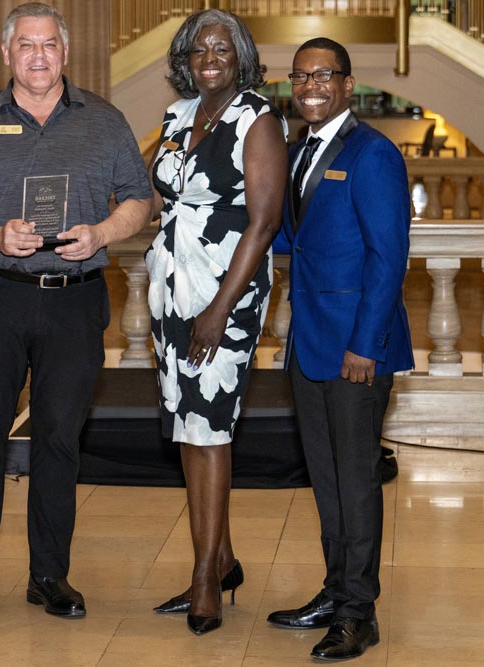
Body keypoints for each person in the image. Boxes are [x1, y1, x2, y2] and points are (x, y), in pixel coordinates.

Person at [0, 2, 153, 625]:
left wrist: (103, 231)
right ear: (6, 54)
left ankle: (50, 575)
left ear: (64, 51)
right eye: (25, 44)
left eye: (48, 44)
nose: (37, 55)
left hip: (74, 298)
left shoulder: (104, 122)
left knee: (59, 441)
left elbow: (141, 198)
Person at [266, 37, 413, 662]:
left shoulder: (373, 154)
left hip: (355, 348)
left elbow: (389, 258)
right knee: (325, 481)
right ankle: (333, 591)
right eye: (301, 76)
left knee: (356, 484)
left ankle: (359, 613)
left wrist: (365, 346)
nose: (311, 85)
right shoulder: (298, 150)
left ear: (348, 84)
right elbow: (287, 240)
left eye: (324, 74)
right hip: (309, 344)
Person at [145, 9, 287, 636]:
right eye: (199, 49)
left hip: (221, 294)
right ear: (186, 57)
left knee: (209, 425)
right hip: (171, 289)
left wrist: (219, 309)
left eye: (222, 49)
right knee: (186, 418)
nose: (210, 58)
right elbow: (149, 196)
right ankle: (221, 557)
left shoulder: (256, 120)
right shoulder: (177, 117)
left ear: (240, 58)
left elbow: (263, 223)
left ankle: (205, 575)